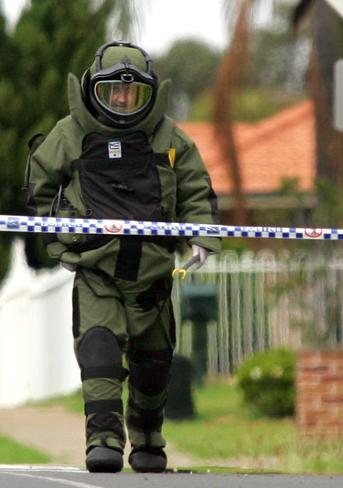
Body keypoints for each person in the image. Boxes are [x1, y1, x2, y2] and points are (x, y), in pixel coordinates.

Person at [25, 40, 221, 473]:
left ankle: (149, 440)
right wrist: (58, 247)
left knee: (155, 364)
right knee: (99, 354)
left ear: (149, 94)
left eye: (133, 93)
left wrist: (202, 239)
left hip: (153, 277)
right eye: (112, 90)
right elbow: (39, 192)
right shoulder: (69, 133)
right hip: (97, 272)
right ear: (95, 90)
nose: (122, 99)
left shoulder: (169, 136)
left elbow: (196, 191)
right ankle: (104, 440)